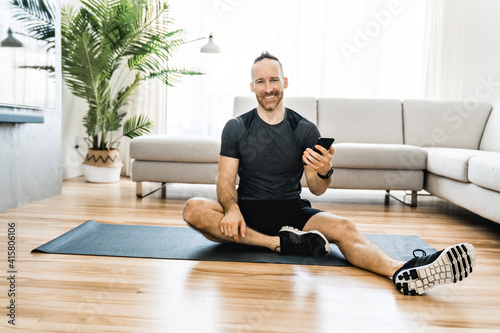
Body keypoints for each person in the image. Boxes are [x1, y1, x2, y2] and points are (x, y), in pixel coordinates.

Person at [182, 51, 476, 296]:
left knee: (345, 227)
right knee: (194, 209)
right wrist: (232, 209)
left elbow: (317, 188)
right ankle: (278, 243)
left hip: (293, 212)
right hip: (248, 209)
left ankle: (400, 271)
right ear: (252, 87)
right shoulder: (237, 127)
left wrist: (323, 172)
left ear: (284, 82)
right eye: (261, 81)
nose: (268, 88)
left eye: (273, 80)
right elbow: (224, 179)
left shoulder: (304, 129)